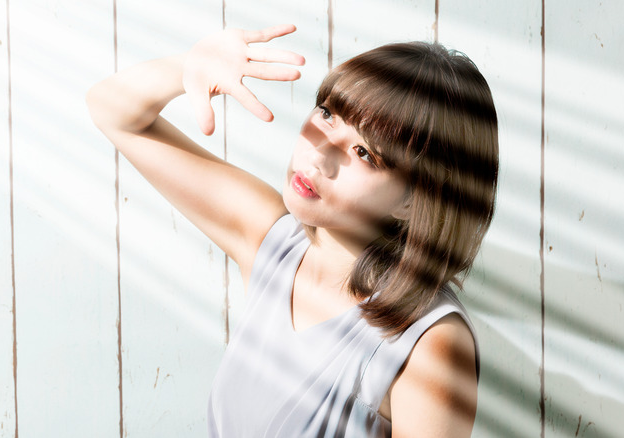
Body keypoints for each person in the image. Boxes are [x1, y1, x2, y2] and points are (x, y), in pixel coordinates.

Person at [86, 24, 498, 437]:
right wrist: (189, 67)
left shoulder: (429, 343)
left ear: (412, 200)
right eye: (328, 113)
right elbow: (111, 112)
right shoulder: (273, 240)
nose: (321, 151)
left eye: (364, 153)